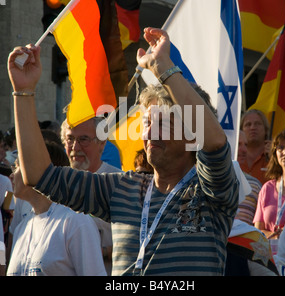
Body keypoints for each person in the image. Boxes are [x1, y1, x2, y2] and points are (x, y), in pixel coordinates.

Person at [7, 27, 238, 276]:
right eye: (148, 123)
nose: (149, 134)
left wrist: (162, 68)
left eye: (163, 124)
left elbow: (214, 143)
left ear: (193, 135)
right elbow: (40, 176)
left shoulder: (212, 190)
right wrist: (23, 92)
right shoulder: (122, 188)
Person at [7, 142, 107, 276]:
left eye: (17, 166)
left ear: (38, 170)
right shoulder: (22, 228)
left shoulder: (75, 222)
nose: (11, 175)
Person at [60, 117, 122, 275]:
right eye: (70, 139)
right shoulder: (55, 185)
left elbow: (138, 243)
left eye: (83, 139)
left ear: (102, 143)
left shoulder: (121, 185)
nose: (75, 147)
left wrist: (101, 252)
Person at [253, 127, 285, 254]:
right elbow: (258, 231)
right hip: (268, 258)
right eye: (280, 148)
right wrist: (274, 234)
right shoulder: (267, 188)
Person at [235, 130, 262, 225]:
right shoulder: (207, 181)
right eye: (238, 144)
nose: (244, 150)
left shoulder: (255, 185)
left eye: (246, 145)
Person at [240, 109, 271, 184]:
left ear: (266, 129)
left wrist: (275, 160)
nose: (252, 127)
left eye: (257, 124)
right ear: (241, 130)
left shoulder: (275, 156)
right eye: (248, 124)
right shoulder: (234, 156)